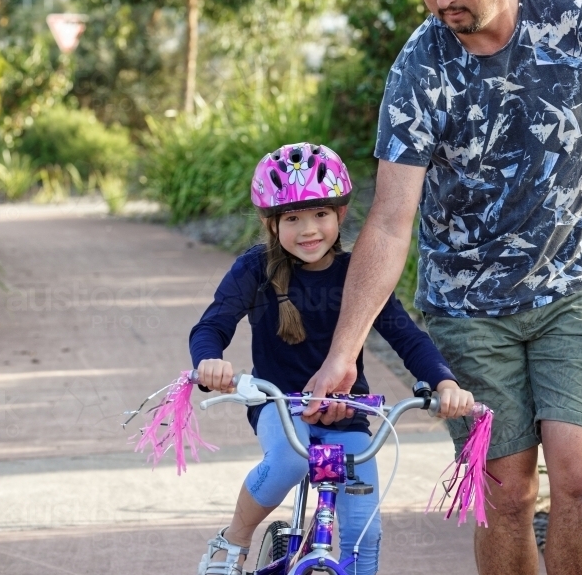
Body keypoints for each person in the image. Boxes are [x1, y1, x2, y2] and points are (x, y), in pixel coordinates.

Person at [300, 0, 582, 575]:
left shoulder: (577, 21)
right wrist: (344, 350)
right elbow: (392, 220)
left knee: (580, 476)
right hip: (468, 308)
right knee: (506, 489)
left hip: (574, 290)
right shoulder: (418, 69)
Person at [191, 142, 476, 575]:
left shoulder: (356, 273)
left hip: (348, 412)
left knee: (366, 535)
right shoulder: (255, 269)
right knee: (290, 457)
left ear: (340, 215)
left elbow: (407, 337)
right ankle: (235, 539)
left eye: (321, 214)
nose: (309, 230)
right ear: (271, 223)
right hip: (280, 406)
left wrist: (444, 383)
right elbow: (211, 326)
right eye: (293, 218)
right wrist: (210, 360)